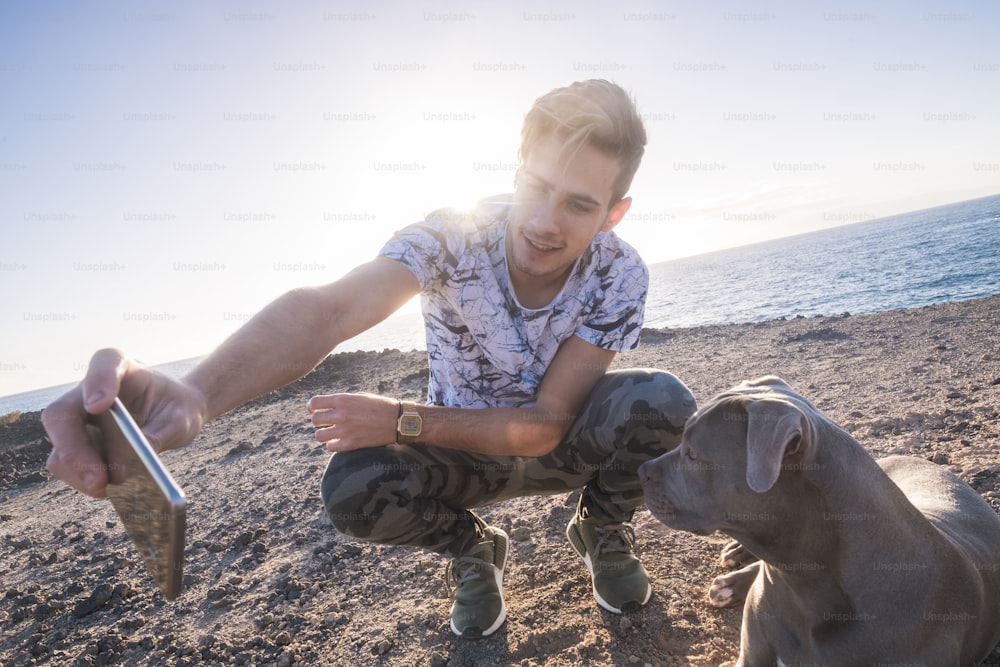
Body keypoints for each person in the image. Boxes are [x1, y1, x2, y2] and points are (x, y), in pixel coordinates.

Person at [42, 79, 697, 639]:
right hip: (465, 463)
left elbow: (547, 423)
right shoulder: (453, 234)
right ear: (517, 165)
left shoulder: (619, 274)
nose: (545, 222)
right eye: (537, 186)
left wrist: (404, 419)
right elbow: (328, 310)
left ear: (614, 214)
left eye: (579, 204)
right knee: (353, 485)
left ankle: (602, 529)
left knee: (667, 405)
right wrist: (197, 393)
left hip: (559, 449)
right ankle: (474, 550)